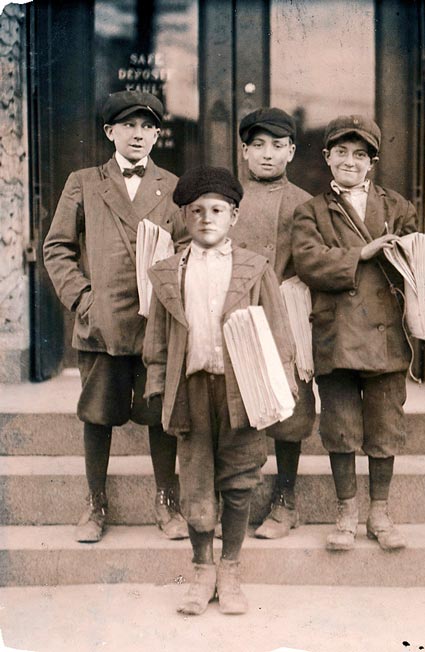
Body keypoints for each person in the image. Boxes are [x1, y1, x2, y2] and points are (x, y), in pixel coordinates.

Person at [143, 165, 297, 615]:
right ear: (186, 219)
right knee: (194, 481)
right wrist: (158, 386)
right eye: (197, 211)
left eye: (217, 210)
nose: (207, 218)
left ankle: (230, 568)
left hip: (242, 390)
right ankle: (200, 569)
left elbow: (279, 329)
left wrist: (279, 387)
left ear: (233, 216)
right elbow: (156, 337)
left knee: (239, 478)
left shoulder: (254, 267)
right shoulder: (169, 272)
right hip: (191, 389)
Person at [43, 90, 187, 543]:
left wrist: (171, 292)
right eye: (128, 126)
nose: (138, 135)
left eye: (147, 127)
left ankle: (167, 501)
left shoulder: (172, 185)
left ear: (158, 134)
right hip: (101, 325)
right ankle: (95, 503)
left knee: (160, 414)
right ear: (110, 133)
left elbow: (185, 249)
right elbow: (57, 248)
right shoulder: (83, 181)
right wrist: (84, 300)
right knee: (98, 414)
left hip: (154, 326)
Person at [292, 115, 422, 552]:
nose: (351, 161)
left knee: (385, 424)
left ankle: (379, 512)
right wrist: (362, 252)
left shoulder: (399, 208)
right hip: (337, 332)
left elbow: (416, 263)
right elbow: (309, 261)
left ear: (373, 162)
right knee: (341, 424)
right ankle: (346, 510)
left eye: (360, 154)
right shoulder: (309, 210)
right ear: (327, 157)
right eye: (342, 153)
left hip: (387, 333)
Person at [234, 107, 315, 539]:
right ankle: (238, 498)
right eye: (258, 146)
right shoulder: (228, 201)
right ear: (244, 151)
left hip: (284, 313)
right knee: (238, 407)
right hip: (238, 313)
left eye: (278, 146)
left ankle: (286, 501)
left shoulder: (305, 202)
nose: (268, 155)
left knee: (289, 409)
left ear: (291, 152)